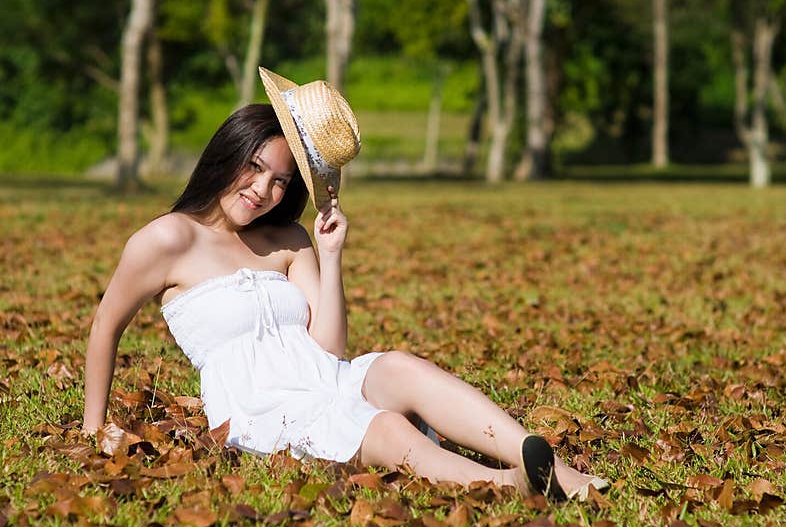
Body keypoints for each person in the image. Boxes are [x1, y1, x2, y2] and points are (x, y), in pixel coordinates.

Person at [82, 67, 608, 502]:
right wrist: (94, 428)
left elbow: (329, 349)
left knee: (400, 366)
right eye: (255, 167)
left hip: (324, 378)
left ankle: (554, 470)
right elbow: (106, 327)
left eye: (281, 181)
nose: (262, 190)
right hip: (261, 405)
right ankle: (505, 485)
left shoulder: (287, 238)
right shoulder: (166, 239)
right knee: (384, 429)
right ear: (227, 154)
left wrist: (329, 256)